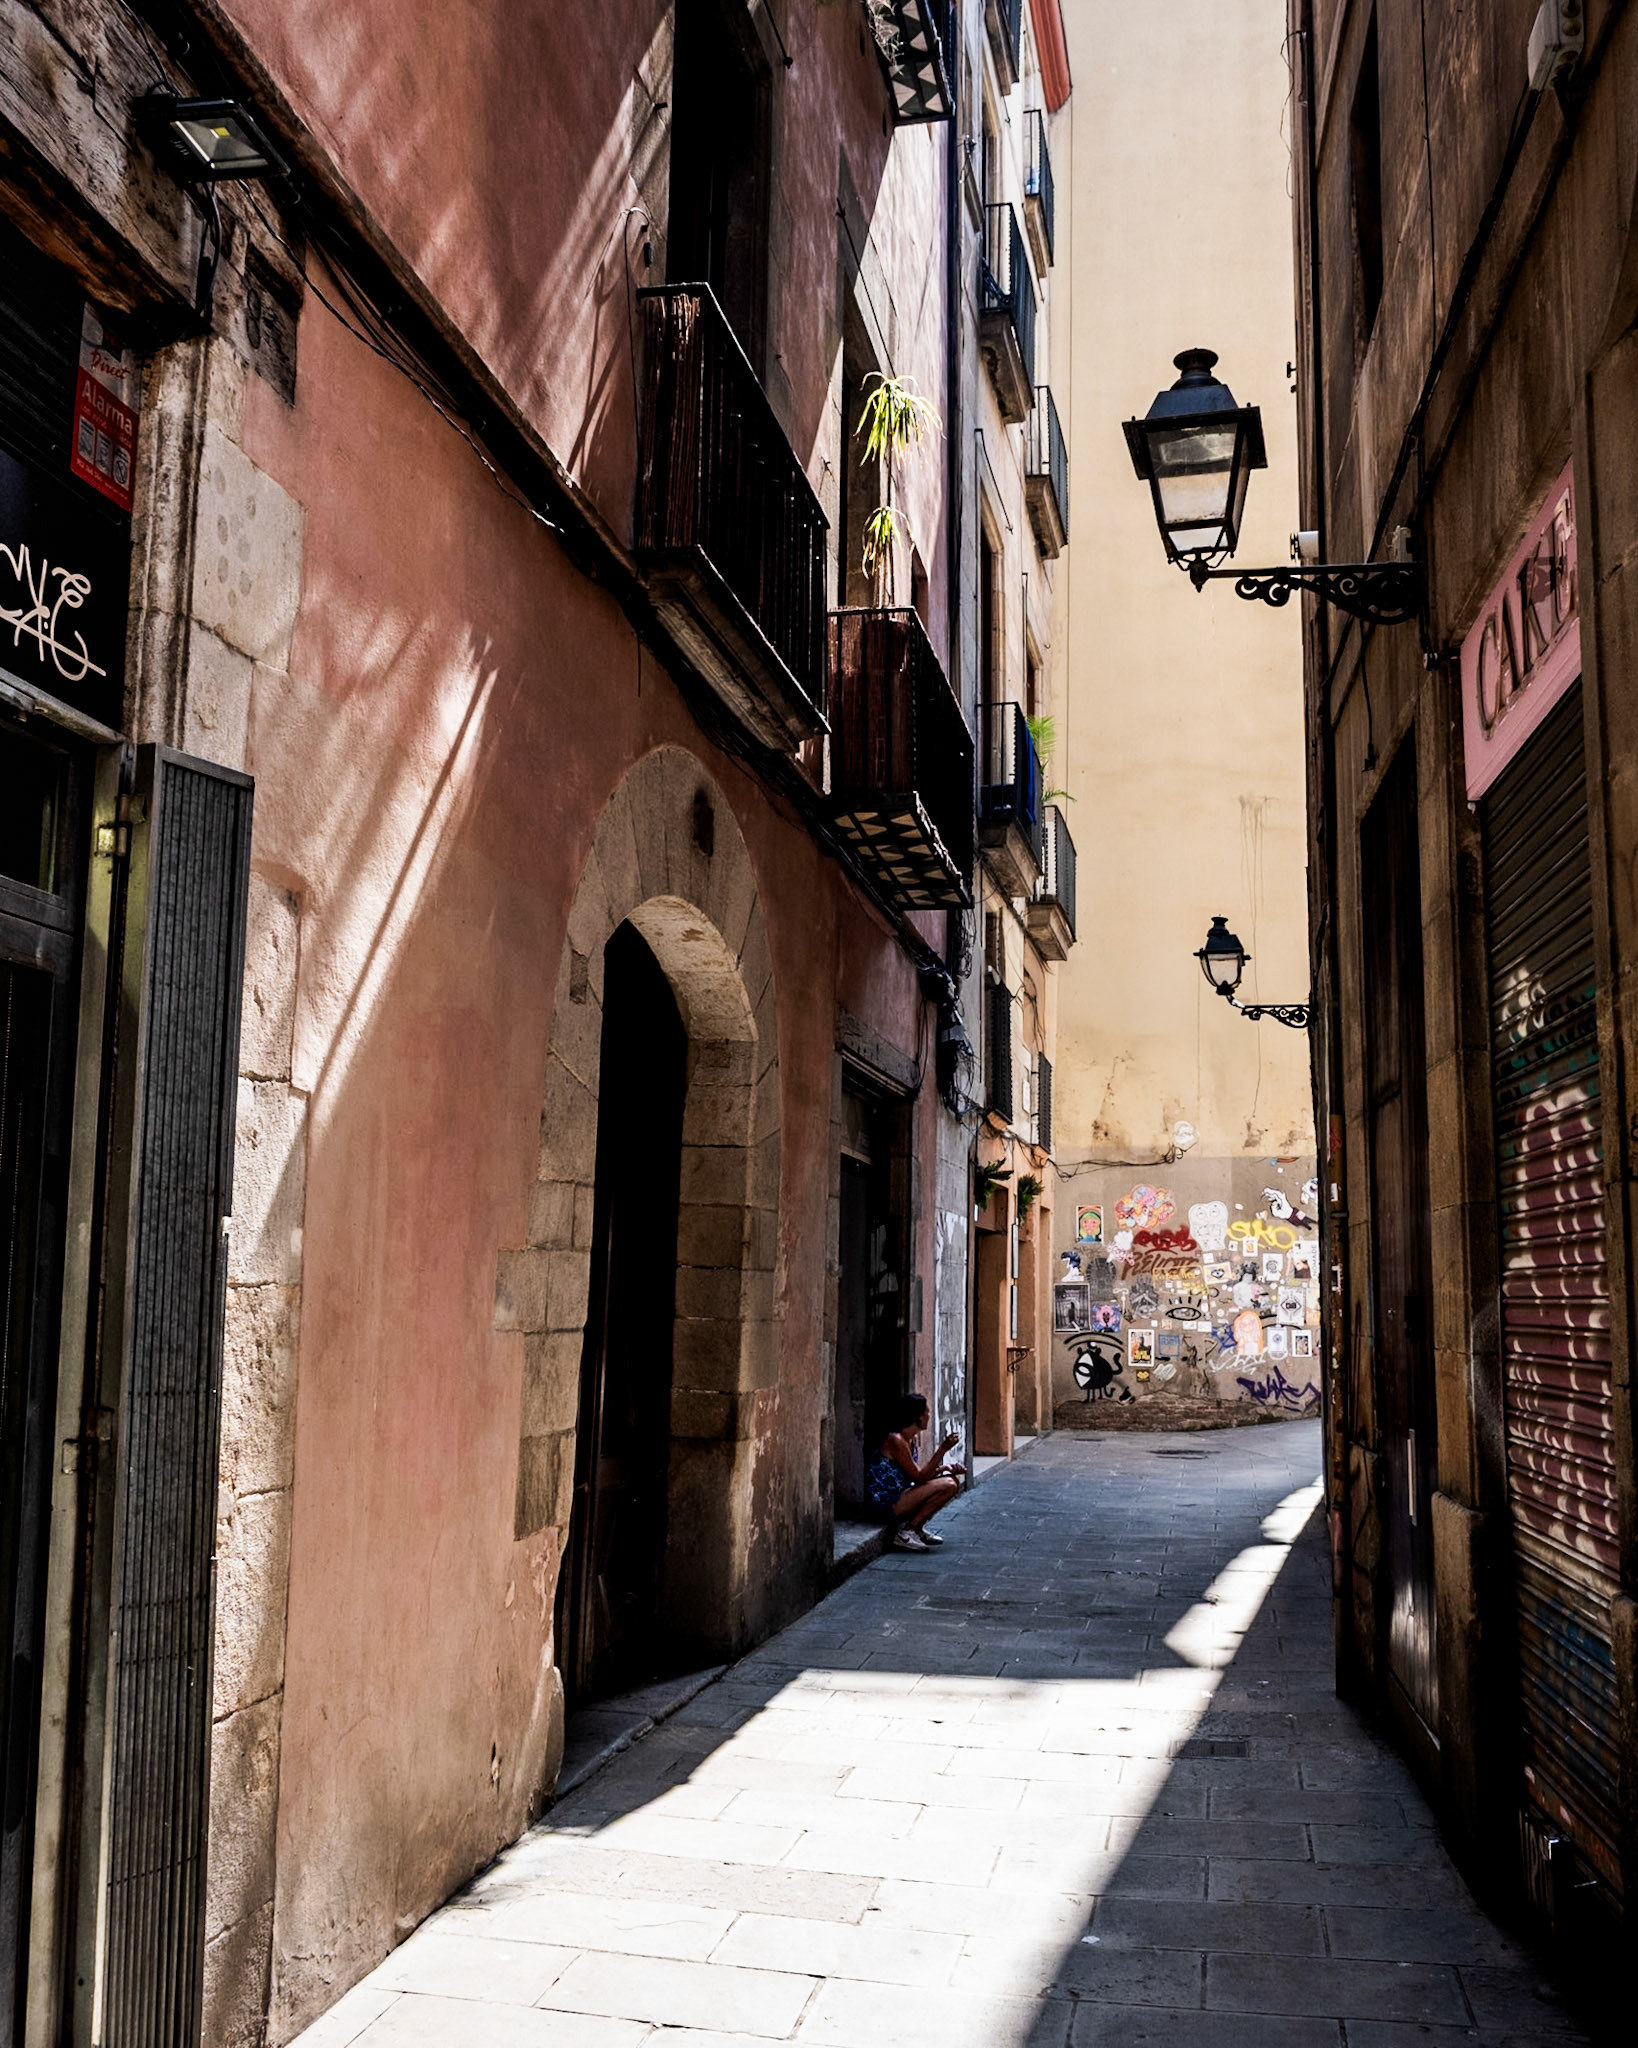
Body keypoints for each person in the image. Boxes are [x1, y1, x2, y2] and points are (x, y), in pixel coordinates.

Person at [865, 1395, 964, 1551]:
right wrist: (943, 1449)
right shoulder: (896, 1439)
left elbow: (918, 1474)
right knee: (948, 1484)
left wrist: (944, 1469)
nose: (929, 1416)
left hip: (903, 1493)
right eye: (926, 1412)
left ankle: (916, 1528)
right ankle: (907, 1532)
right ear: (917, 1416)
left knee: (951, 1481)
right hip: (887, 1501)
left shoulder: (911, 1439)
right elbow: (919, 1476)